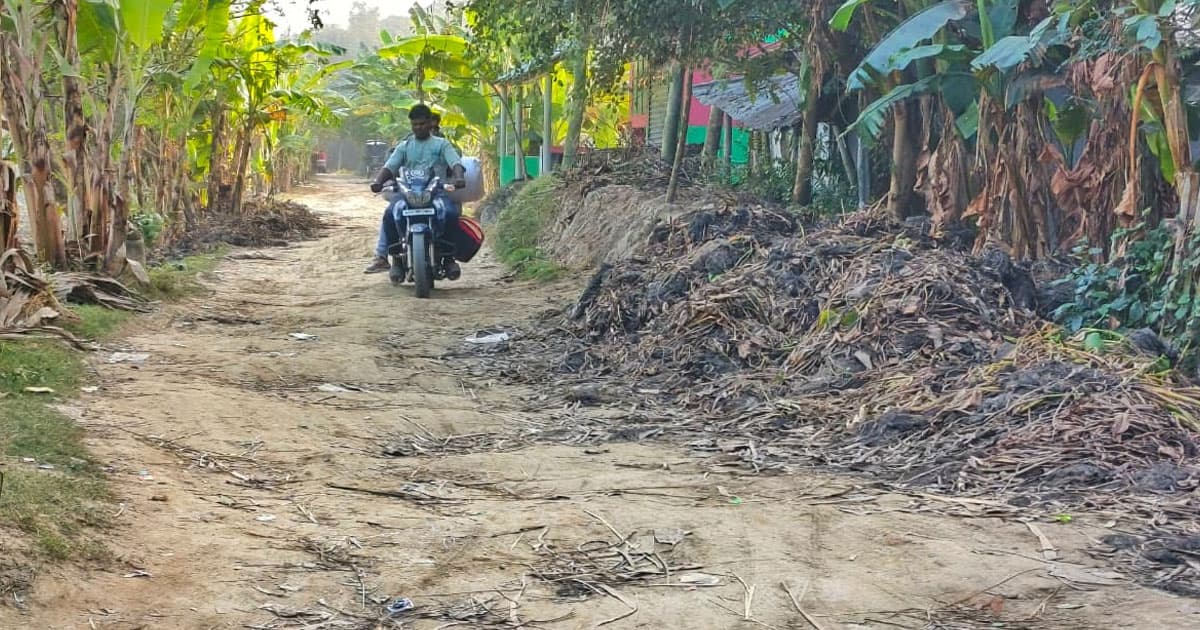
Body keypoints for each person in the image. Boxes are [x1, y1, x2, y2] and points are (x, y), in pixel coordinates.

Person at [365, 105, 466, 275]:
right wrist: (378, 181)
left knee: (450, 213)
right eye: (415, 124)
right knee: (390, 214)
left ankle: (449, 258)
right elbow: (390, 166)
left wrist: (459, 177)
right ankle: (395, 257)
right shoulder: (404, 146)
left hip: (436, 192)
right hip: (407, 193)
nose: (418, 127)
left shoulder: (442, 144)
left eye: (422, 124)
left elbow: (455, 163)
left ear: (430, 124)